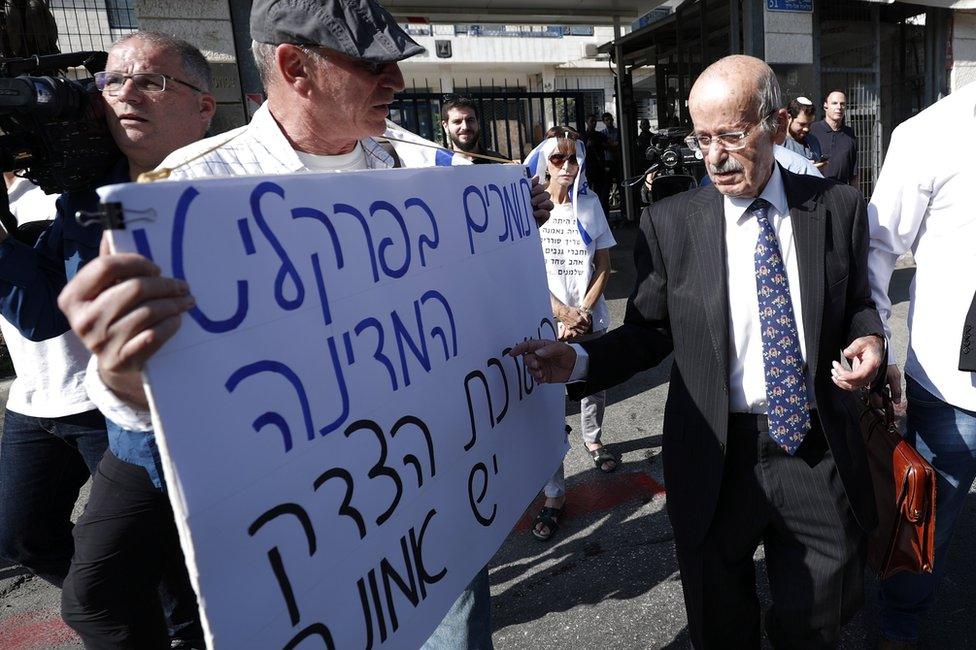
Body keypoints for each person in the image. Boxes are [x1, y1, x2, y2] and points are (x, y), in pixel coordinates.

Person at [55, 2, 553, 649]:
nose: (397, 81)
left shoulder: (421, 168)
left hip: (434, 484)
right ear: (297, 68)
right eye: (373, 64)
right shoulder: (185, 198)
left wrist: (513, 222)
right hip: (316, 528)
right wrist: (123, 377)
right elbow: (156, 425)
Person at [511, 55, 886, 648]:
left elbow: (859, 303)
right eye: (701, 138)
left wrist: (870, 339)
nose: (713, 157)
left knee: (815, 623)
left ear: (779, 121)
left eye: (732, 137)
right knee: (720, 624)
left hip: (815, 450)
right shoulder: (671, 223)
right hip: (712, 451)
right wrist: (580, 362)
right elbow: (647, 333)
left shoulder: (837, 208)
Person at [867, 80, 976, 650]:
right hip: (952, 390)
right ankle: (898, 630)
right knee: (923, 524)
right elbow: (878, 245)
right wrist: (877, 339)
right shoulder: (931, 132)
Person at [0, 174, 108, 589]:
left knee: (152, 536)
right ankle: (115, 611)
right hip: (31, 401)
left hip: (97, 396)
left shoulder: (56, 190)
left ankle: (183, 630)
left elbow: (46, 315)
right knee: (23, 537)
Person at [524, 126, 616, 541]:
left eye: (572, 158)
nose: (566, 166)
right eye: (557, 158)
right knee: (549, 409)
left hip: (587, 318)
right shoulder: (530, 208)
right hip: (547, 323)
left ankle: (594, 442)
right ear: (544, 161)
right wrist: (560, 312)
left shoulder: (591, 204)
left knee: (593, 385)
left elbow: (604, 266)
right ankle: (555, 494)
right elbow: (523, 271)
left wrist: (582, 311)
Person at [810, 90, 858, 185]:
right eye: (834, 103)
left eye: (842, 104)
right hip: (816, 190)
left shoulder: (849, 133)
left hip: (841, 191)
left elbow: (854, 172)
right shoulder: (812, 130)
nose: (839, 107)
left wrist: (856, 195)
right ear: (825, 106)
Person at [441, 96, 504, 163]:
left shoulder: (501, 164)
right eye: (457, 121)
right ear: (446, 126)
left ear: (478, 123)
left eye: (470, 120)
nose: (465, 127)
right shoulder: (437, 168)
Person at [782, 96, 823, 168]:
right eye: (802, 124)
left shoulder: (813, 141)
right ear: (788, 118)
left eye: (809, 124)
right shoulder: (779, 143)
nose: (806, 129)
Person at [584, 114, 611, 215]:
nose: (594, 123)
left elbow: (608, 146)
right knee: (588, 192)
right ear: (587, 122)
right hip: (589, 168)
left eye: (595, 121)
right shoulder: (583, 136)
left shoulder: (600, 135)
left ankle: (603, 214)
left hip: (599, 168)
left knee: (601, 193)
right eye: (592, 121)